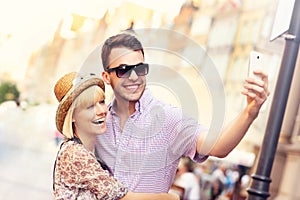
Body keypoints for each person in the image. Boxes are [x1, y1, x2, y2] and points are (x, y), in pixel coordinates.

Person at [95, 33, 270, 193]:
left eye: (139, 68)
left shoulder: (169, 119)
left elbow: (218, 146)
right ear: (106, 77)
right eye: (123, 69)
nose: (134, 77)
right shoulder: (96, 122)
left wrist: (250, 112)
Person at [52, 72, 179, 199]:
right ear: (73, 116)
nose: (102, 111)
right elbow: (121, 197)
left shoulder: (85, 149)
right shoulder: (74, 154)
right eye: (90, 107)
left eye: (101, 102)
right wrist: (170, 197)